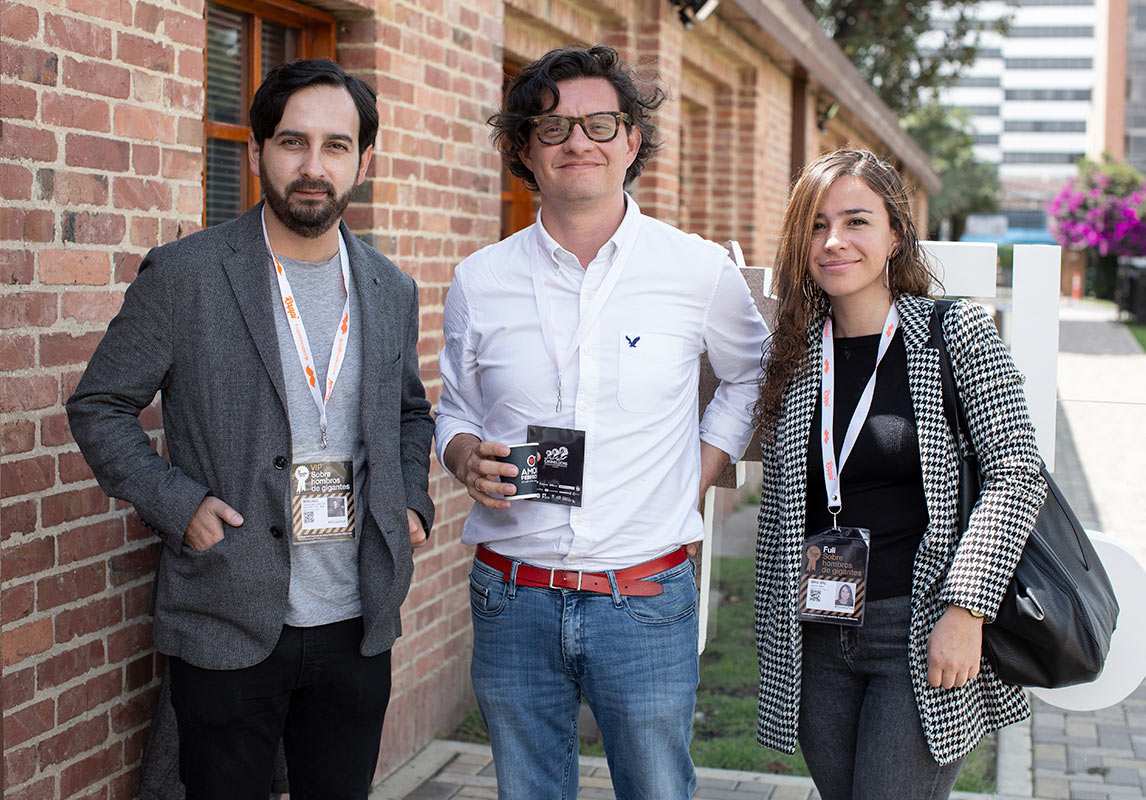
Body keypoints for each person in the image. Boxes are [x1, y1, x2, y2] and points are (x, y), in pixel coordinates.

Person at [66, 59, 434, 799]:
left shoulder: (390, 288)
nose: (313, 167)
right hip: (227, 609)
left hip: (358, 618)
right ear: (258, 150)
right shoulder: (186, 275)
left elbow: (408, 413)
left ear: (364, 163)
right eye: (293, 142)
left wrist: (412, 501)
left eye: (336, 146)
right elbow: (99, 404)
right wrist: (177, 505)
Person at [435, 45, 768, 800]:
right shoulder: (480, 280)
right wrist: (462, 455)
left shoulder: (696, 270)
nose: (576, 141)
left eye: (599, 123)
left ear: (631, 140)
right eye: (551, 127)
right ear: (525, 150)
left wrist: (700, 470)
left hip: (643, 597)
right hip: (511, 596)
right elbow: (454, 407)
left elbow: (752, 373)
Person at [752, 149, 1047, 798]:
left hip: (919, 627)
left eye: (856, 221)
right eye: (816, 225)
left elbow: (1016, 473)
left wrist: (966, 610)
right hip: (815, 632)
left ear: (895, 235)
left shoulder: (954, 332)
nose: (834, 241)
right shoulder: (794, 350)